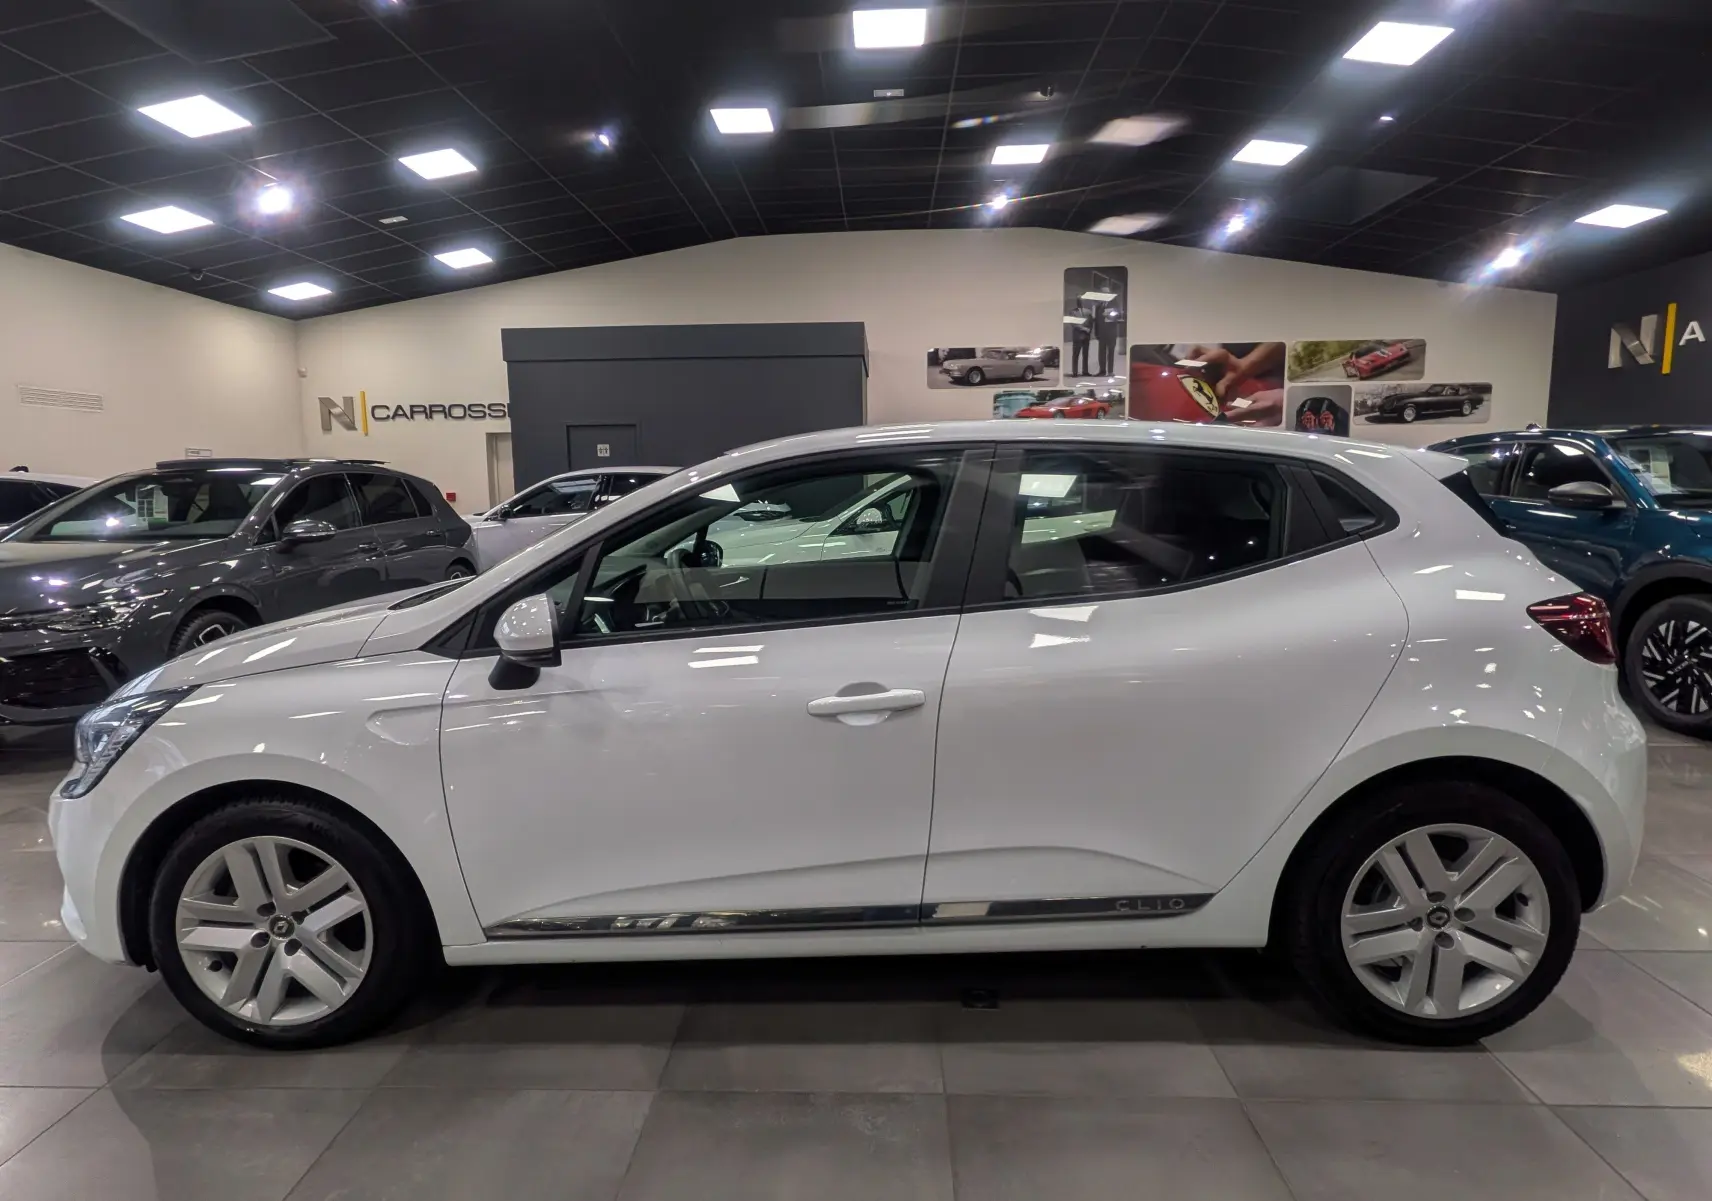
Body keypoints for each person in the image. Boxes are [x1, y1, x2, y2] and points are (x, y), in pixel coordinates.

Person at [1095, 302, 1123, 376]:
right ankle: (1102, 371)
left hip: (1111, 333)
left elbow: (1119, 315)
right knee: (1101, 353)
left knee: (1111, 352)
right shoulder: (1098, 306)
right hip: (1102, 333)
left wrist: (1109, 315)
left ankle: (1110, 371)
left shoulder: (1114, 304)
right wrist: (1096, 333)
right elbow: (1096, 321)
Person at [1067, 303, 1092, 376]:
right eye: (1078, 300)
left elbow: (1091, 322)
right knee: (1075, 355)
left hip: (1086, 336)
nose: (1080, 302)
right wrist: (1084, 329)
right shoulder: (1072, 312)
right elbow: (1073, 324)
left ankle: (1085, 371)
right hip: (1078, 336)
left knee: (1086, 355)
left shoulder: (1088, 311)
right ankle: (1075, 372)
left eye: (1081, 300)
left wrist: (1090, 330)